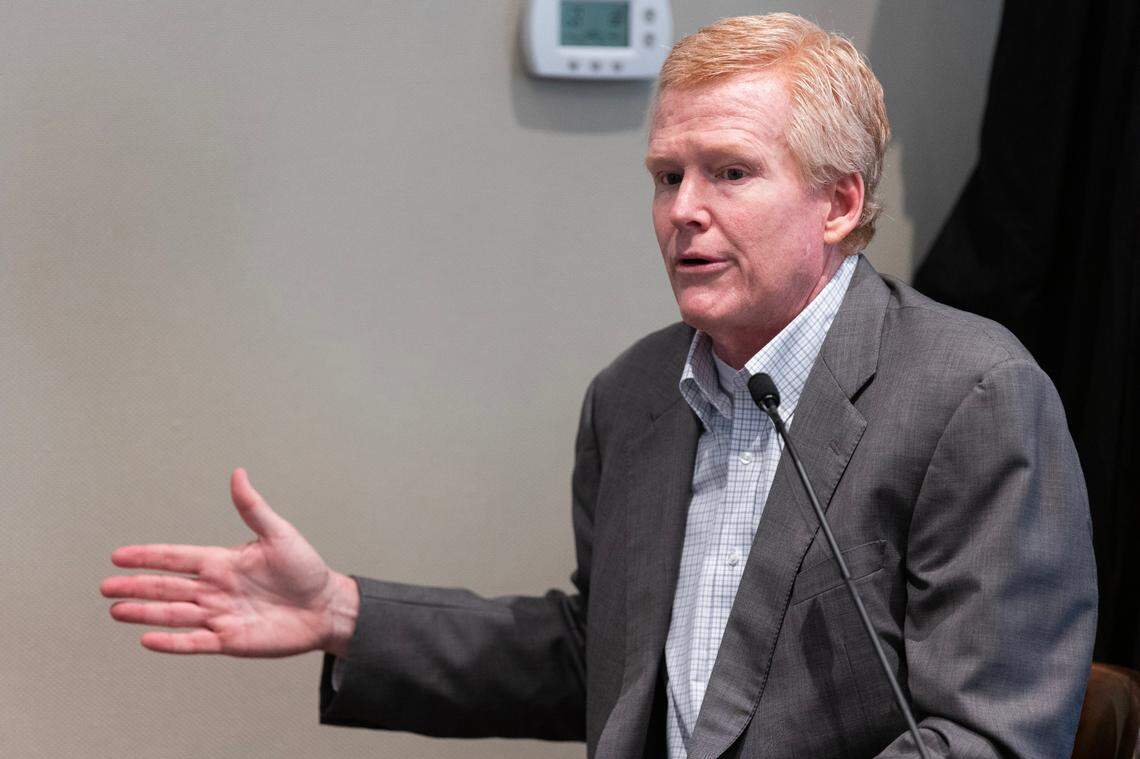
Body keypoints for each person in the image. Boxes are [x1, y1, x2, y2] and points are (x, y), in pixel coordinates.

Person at [101, 13, 1097, 758]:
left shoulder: (974, 394)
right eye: (667, 177)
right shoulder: (635, 397)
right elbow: (603, 661)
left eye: (729, 174)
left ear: (838, 202)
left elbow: (991, 739)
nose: (683, 213)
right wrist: (346, 612)